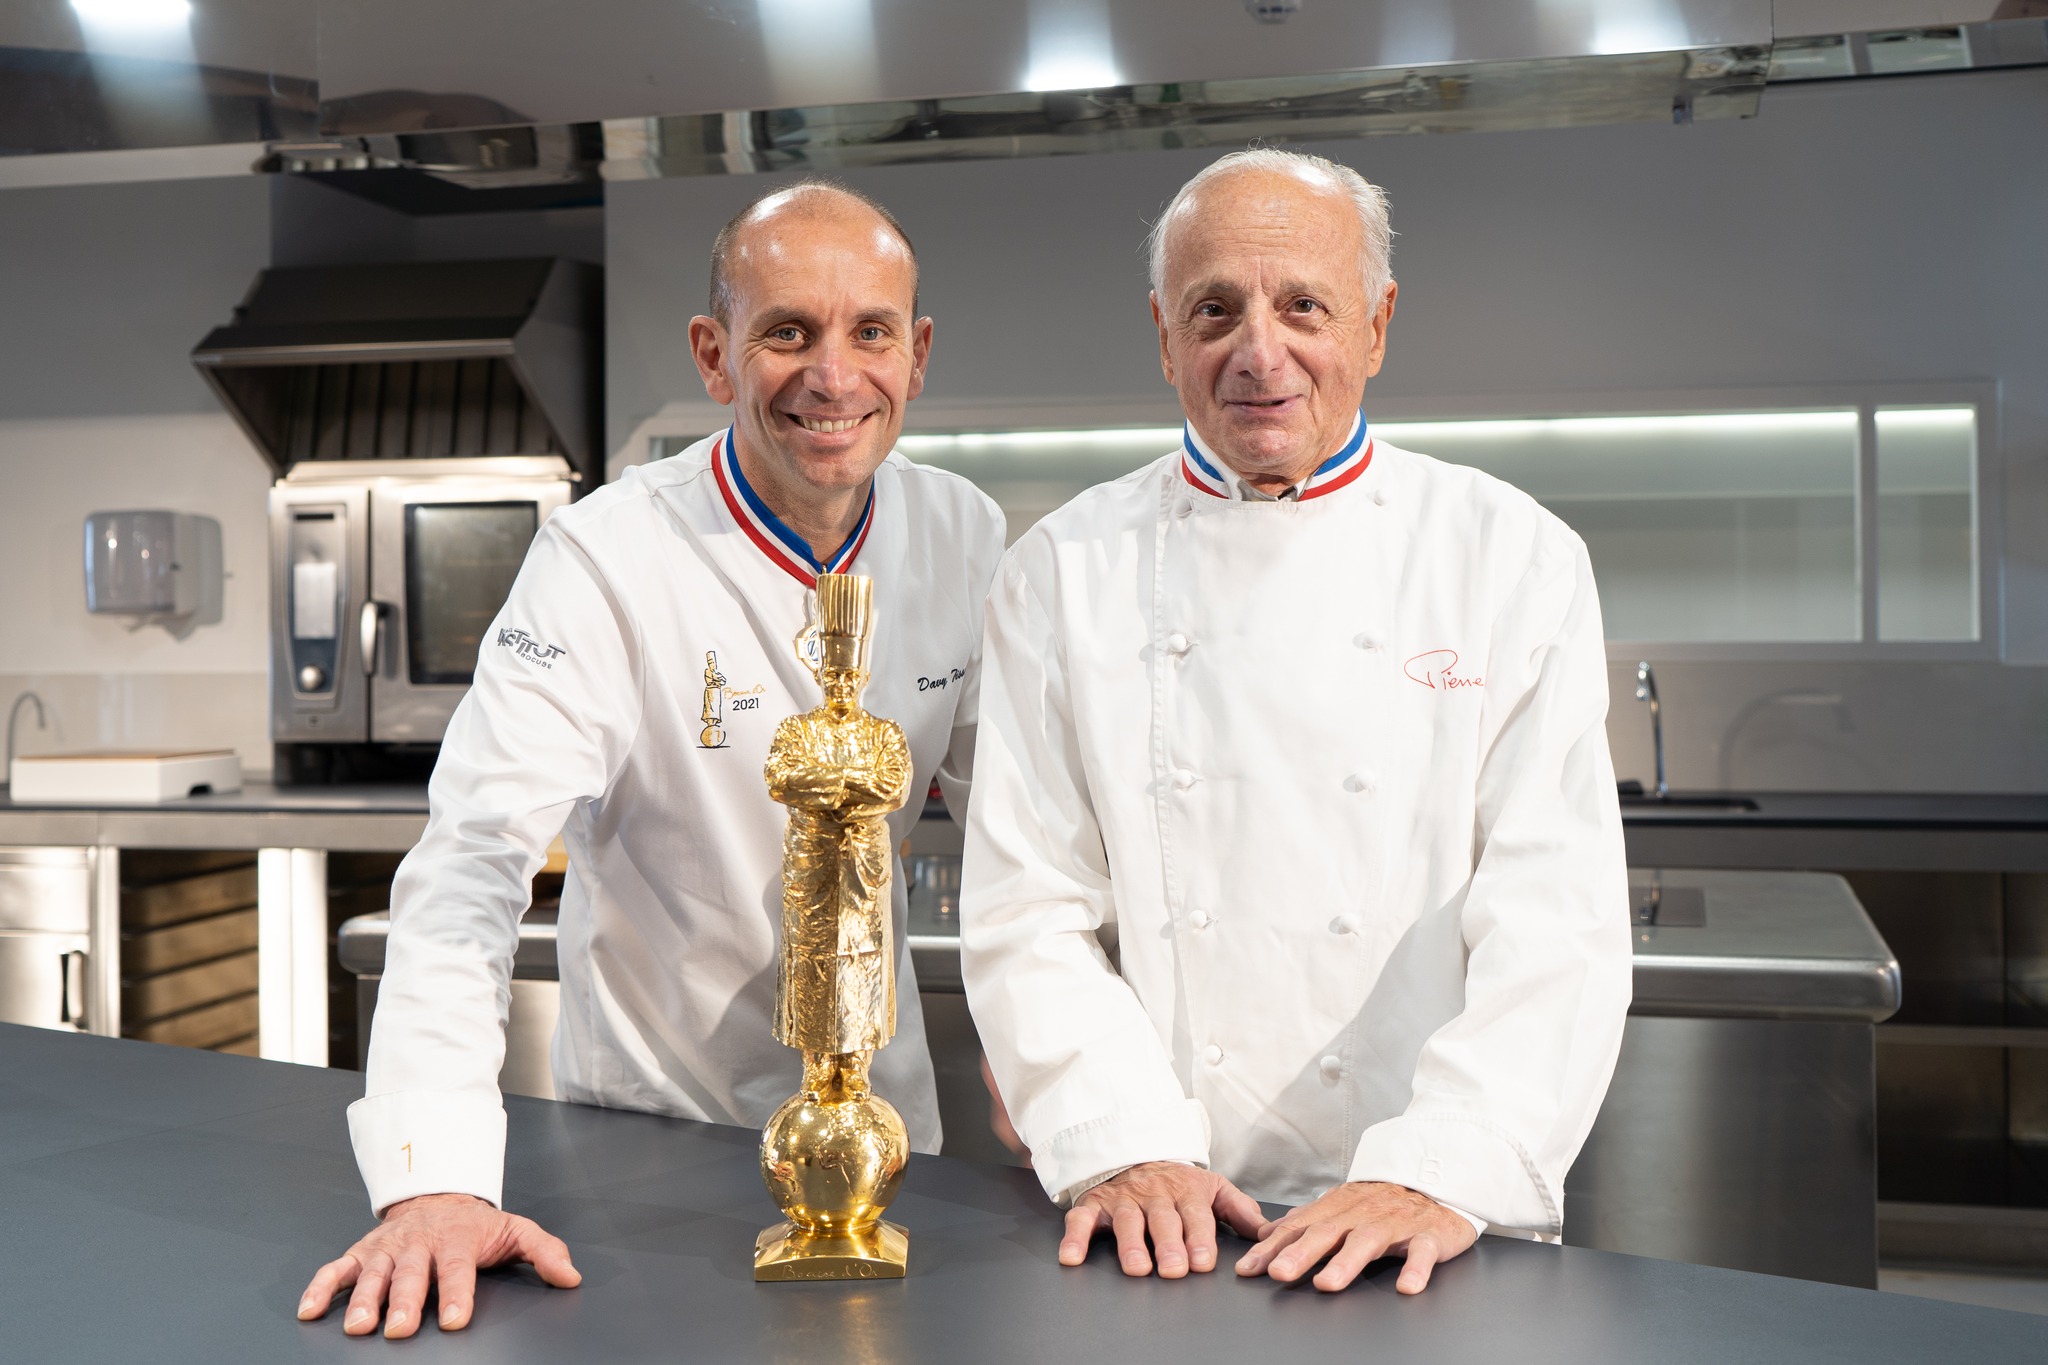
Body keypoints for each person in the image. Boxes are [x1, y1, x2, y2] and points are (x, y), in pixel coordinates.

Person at [298, 181, 1005, 1338]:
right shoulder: (603, 558)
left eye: (870, 331)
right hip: (658, 1148)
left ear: (915, 354)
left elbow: (1015, 835)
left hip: (888, 1147)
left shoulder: (961, 532)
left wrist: (1063, 1072)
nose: (834, 377)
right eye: (787, 332)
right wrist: (433, 1182)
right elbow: (473, 860)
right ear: (714, 355)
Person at [960, 148, 1632, 1295]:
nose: (1257, 353)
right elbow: (1029, 904)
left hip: (1423, 1219)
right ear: (1162, 334)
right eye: (1213, 310)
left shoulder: (1509, 556)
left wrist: (1440, 1168)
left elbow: (1554, 918)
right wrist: (1117, 1137)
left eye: (1303, 307)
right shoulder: (1060, 569)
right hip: (1161, 1214)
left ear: (1376, 325)